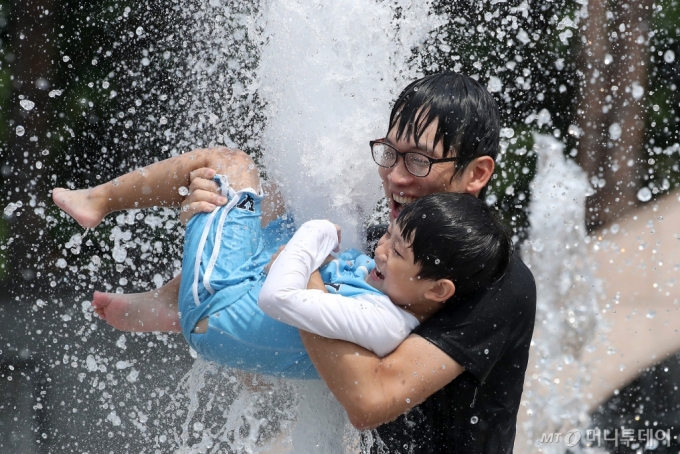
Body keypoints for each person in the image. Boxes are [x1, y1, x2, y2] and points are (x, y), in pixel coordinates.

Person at [179, 72, 537, 453]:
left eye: (419, 160)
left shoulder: (497, 283)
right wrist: (209, 223)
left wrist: (305, 282)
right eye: (390, 153)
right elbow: (260, 374)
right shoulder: (380, 249)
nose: (395, 176)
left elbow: (369, 400)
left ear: (477, 173)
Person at [52, 148, 512, 380]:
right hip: (226, 315)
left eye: (397, 251)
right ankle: (166, 302)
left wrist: (315, 234)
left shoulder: (376, 319)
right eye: (387, 239)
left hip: (218, 299)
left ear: (438, 288)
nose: (380, 251)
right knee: (287, 201)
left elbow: (281, 296)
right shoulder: (402, 309)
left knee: (228, 163)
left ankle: (100, 199)